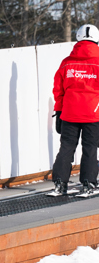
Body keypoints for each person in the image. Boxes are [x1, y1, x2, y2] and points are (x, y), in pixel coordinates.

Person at [50, 24, 99, 196]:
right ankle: (88, 184)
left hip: (70, 113)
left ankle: (59, 184)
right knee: (90, 148)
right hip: (93, 114)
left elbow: (58, 90)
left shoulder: (66, 63)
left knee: (66, 148)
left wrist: (59, 112)